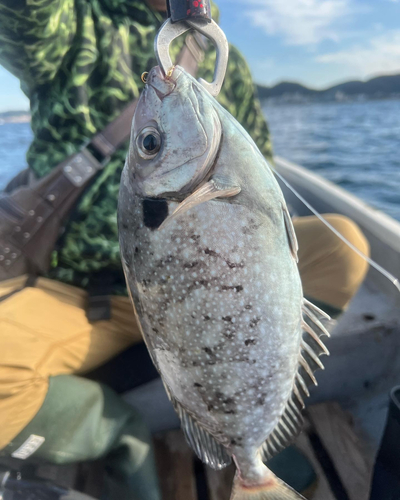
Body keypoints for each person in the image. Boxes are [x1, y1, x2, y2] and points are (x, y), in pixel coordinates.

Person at [0, 0, 369, 498]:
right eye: (151, 145)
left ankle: (259, 419)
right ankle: (117, 433)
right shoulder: (73, 25)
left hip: (204, 281)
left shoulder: (222, 59)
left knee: (343, 250)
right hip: (80, 291)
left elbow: (260, 171)